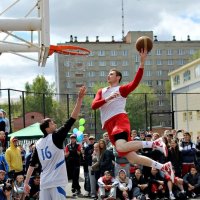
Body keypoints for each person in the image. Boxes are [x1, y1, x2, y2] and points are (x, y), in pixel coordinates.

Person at [91, 49, 174, 182]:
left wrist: (142, 62)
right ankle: (163, 166)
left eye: (111, 74)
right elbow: (94, 105)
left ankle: (154, 143)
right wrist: (108, 99)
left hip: (119, 120)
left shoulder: (121, 89)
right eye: (108, 74)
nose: (108, 75)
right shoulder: (102, 91)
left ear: (118, 77)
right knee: (132, 158)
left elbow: (135, 82)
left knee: (120, 147)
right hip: (109, 125)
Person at [24, 86, 86, 200]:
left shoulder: (38, 144)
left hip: (45, 183)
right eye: (52, 123)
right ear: (47, 128)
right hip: (56, 182)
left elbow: (32, 165)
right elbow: (72, 119)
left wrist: (26, 183)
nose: (55, 125)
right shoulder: (56, 137)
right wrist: (80, 99)